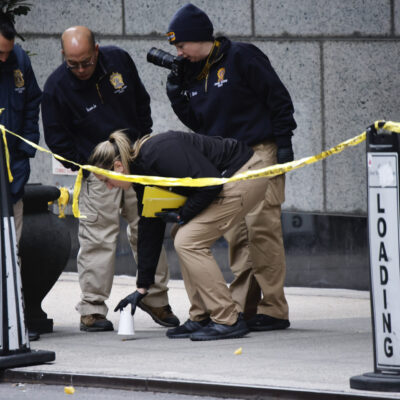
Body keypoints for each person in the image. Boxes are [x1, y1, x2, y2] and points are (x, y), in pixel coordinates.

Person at [163, 3, 297, 331]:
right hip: (227, 158)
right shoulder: (194, 71)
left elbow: (278, 99)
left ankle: (274, 309)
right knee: (237, 234)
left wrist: (284, 144)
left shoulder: (241, 56)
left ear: (199, 37)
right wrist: (177, 95)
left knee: (261, 230)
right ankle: (244, 309)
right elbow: (198, 123)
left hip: (259, 149)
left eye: (181, 45)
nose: (178, 53)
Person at [41, 26, 179, 332]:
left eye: (86, 62)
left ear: (97, 50)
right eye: (72, 64)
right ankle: (92, 308)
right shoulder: (56, 88)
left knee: (148, 228)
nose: (80, 69)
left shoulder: (119, 60)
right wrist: (93, 163)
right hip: (97, 171)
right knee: (97, 239)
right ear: (63, 56)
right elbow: (57, 141)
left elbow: (141, 101)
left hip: (136, 161)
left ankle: (155, 297)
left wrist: (141, 143)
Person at [89, 129, 276, 341]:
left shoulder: (158, 152)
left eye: (106, 180)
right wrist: (142, 287)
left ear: (117, 167)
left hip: (244, 172)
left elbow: (210, 183)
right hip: (229, 176)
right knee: (182, 234)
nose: (109, 187)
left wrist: (182, 214)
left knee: (188, 240)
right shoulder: (140, 172)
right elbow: (149, 226)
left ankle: (227, 318)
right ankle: (201, 316)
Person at [0, 12, 42, 341]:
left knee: (11, 252)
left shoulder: (19, 59)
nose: (4, 57)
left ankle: (15, 323)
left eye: (7, 51)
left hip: (13, 170)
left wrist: (27, 148)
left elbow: (31, 102)